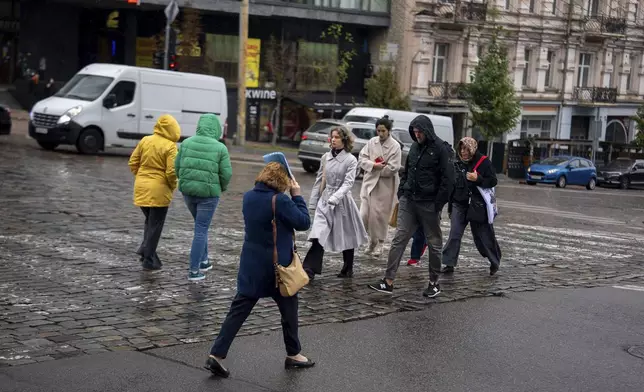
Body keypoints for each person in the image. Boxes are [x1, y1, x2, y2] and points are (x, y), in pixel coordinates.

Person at [205, 162, 314, 378]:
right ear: (282, 180)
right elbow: (303, 222)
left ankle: (216, 354)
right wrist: (298, 196)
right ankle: (294, 354)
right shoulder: (280, 200)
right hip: (277, 268)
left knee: (238, 311)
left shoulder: (248, 196)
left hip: (251, 263)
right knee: (289, 308)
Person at [368, 115, 454, 297]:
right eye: (414, 132)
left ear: (427, 130)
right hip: (409, 200)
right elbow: (406, 171)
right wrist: (402, 191)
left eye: (419, 131)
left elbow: (448, 179)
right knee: (399, 239)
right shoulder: (415, 147)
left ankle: (434, 282)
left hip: (429, 203)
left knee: (434, 243)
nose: (416, 135)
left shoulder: (441, 149)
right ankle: (388, 281)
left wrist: (438, 204)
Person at [304, 126, 368, 280]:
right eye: (332, 137)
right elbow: (319, 180)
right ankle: (309, 269)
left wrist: (335, 198)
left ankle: (348, 267)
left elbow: (348, 183)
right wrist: (313, 202)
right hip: (325, 200)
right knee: (318, 233)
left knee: (346, 234)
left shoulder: (351, 160)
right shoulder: (326, 157)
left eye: (337, 137)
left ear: (344, 140)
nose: (333, 140)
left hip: (342, 202)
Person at [175, 114, 233, 281]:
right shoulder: (220, 148)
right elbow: (226, 173)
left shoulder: (186, 143)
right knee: (201, 229)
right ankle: (194, 270)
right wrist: (222, 187)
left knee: (201, 226)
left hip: (188, 192)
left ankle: (205, 261)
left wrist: (183, 180)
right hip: (208, 194)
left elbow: (176, 166)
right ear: (216, 128)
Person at [442, 137, 502, 276]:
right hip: (459, 203)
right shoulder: (456, 163)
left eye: (466, 149)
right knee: (454, 234)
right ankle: (449, 263)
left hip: (477, 205)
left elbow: (493, 181)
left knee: (483, 236)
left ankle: (494, 261)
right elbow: (452, 186)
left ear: (473, 149)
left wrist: (478, 179)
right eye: (461, 149)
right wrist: (450, 207)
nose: (463, 152)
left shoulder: (483, 162)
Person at [128, 114, 181, 271]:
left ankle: (145, 250)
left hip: (141, 186)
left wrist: (142, 177)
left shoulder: (145, 140)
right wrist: (172, 186)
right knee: (155, 225)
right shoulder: (170, 146)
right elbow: (172, 172)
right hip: (159, 189)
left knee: (149, 222)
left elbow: (133, 162)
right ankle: (149, 258)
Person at [358, 115, 402, 256]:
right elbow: (362, 158)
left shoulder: (395, 146)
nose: (381, 134)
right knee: (364, 214)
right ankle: (371, 241)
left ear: (389, 131)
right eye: (378, 131)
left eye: (383, 131)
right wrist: (373, 165)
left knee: (379, 215)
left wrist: (378, 169)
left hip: (385, 185)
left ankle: (380, 243)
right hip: (369, 183)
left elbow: (393, 168)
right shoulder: (372, 142)